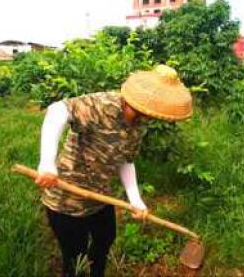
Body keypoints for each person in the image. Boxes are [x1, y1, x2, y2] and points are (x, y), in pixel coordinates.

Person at [35, 64, 193, 277]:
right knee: (75, 258)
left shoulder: (140, 123)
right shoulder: (102, 104)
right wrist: (47, 163)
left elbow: (126, 160)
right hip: (67, 200)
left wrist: (135, 199)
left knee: (105, 240)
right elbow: (57, 110)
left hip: (101, 197)